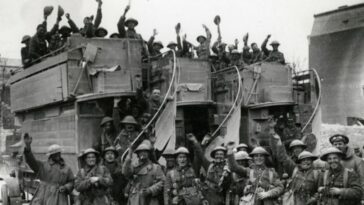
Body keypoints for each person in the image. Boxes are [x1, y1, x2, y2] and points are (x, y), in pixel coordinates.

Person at [23, 133, 74, 205]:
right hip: (44, 196)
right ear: (50, 155)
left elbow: (71, 182)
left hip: (60, 198)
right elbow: (31, 161)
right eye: (54, 154)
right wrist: (28, 147)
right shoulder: (43, 165)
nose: (57, 155)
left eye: (58, 153)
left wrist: (65, 187)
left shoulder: (66, 168)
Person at [187, 133, 229, 205]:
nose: (219, 156)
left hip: (220, 197)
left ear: (224, 156)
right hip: (207, 195)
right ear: (214, 156)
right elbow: (200, 155)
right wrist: (195, 141)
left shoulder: (228, 168)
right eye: (217, 154)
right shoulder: (209, 165)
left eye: (221, 154)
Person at [329, 134, 364, 204]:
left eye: (340, 144)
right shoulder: (330, 160)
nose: (337, 146)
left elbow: (362, 180)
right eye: (335, 144)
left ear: (345, 145)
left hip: (351, 199)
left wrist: (362, 198)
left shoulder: (357, 161)